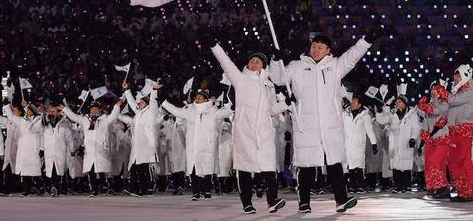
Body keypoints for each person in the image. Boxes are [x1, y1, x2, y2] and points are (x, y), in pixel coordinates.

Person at [270, 33, 377, 213]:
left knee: (335, 165)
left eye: (320, 47)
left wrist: (366, 41)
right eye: (313, 46)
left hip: (330, 126)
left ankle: (341, 200)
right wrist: (275, 60)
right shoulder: (296, 66)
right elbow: (278, 78)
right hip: (306, 125)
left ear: (328, 50)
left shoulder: (335, 66)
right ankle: (304, 202)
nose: (316, 49)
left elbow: (352, 56)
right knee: (306, 166)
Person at [211, 43, 288, 214]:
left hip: (264, 132)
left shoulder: (269, 85)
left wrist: (285, 104)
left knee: (269, 167)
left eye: (258, 61)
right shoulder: (240, 79)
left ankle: (272, 201)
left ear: (263, 65)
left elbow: (272, 110)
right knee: (244, 168)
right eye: (252, 61)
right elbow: (226, 62)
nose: (254, 63)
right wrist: (215, 47)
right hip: (244, 132)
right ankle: (247, 203)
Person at [161, 89, 233, 201]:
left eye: (200, 97)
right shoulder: (190, 111)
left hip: (206, 146)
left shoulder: (212, 111)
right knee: (193, 169)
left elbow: (223, 112)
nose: (197, 99)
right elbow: (176, 111)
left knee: (207, 169)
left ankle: (207, 191)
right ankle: (196, 192)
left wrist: (231, 107)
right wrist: (164, 102)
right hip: (193, 146)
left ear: (206, 99)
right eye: (196, 98)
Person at [62, 99, 124, 197]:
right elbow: (74, 117)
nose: (94, 110)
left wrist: (116, 107)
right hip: (90, 150)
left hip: (101, 149)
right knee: (91, 171)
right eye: (92, 109)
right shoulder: (85, 120)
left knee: (101, 170)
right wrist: (64, 108)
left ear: (100, 110)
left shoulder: (104, 120)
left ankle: (104, 187)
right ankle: (94, 190)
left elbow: (113, 116)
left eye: (96, 109)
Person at [119, 81, 163, 197]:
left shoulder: (151, 112)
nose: (139, 103)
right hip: (138, 147)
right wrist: (127, 90)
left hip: (147, 146)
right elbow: (132, 102)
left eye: (142, 102)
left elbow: (153, 102)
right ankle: (138, 189)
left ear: (146, 103)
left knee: (146, 168)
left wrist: (154, 91)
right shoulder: (138, 113)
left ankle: (150, 188)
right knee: (137, 168)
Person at [446, 64, 473, 202]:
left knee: (456, 162)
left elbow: (452, 101)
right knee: (465, 162)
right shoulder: (460, 92)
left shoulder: (469, 91)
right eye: (455, 74)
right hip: (458, 130)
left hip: (462, 130)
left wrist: (442, 92)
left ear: (466, 76)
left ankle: (465, 193)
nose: (455, 77)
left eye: (458, 74)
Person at [416, 80, 450, 199]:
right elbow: (425, 122)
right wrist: (423, 140)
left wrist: (424, 106)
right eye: (432, 89)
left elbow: (436, 111)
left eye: (436, 89)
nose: (433, 91)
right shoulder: (430, 104)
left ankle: (442, 187)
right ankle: (432, 186)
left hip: (442, 137)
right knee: (429, 163)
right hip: (431, 139)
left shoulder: (445, 103)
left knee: (437, 162)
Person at [3, 103, 44, 197]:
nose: (27, 111)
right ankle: (27, 191)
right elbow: (11, 116)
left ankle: (40, 187)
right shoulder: (22, 121)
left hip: (33, 149)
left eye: (29, 110)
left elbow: (38, 130)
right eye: (27, 110)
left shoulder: (38, 121)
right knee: (25, 171)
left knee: (34, 171)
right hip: (23, 150)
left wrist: (41, 148)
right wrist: (7, 106)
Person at [37, 103, 73, 196]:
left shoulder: (64, 123)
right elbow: (41, 135)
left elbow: (69, 138)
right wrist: (41, 148)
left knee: (60, 170)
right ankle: (54, 187)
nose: (51, 113)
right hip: (49, 151)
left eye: (54, 111)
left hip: (60, 150)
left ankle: (59, 187)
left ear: (59, 112)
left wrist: (72, 150)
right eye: (50, 111)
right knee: (51, 170)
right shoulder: (46, 124)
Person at [343, 95, 377, 194]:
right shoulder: (345, 114)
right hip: (348, 144)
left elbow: (369, 130)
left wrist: (374, 143)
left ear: (359, 105)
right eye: (352, 102)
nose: (352, 104)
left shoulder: (364, 116)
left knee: (359, 166)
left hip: (358, 144)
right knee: (350, 167)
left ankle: (361, 186)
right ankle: (352, 186)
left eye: (354, 103)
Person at [388, 95, 420, 193]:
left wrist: (413, 138)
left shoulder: (411, 114)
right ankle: (398, 186)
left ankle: (407, 185)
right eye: (396, 102)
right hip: (395, 142)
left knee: (406, 163)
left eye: (399, 102)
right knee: (395, 163)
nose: (397, 104)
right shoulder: (393, 114)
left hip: (406, 142)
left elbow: (416, 127)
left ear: (405, 104)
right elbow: (389, 125)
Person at [0, 104, 21, 195]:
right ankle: (7, 188)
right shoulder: (9, 121)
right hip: (9, 149)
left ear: (20, 112)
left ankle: (27, 187)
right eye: (13, 111)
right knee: (7, 169)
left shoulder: (22, 122)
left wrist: (7, 106)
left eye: (15, 111)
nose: (13, 112)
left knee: (19, 169)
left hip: (18, 149)